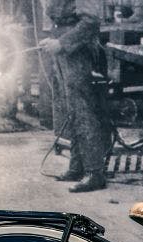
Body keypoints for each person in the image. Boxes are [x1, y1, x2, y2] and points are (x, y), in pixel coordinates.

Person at [39, 0, 111, 193]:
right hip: (64, 51)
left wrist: (61, 43)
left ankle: (95, 172)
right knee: (72, 111)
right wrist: (54, 39)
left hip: (78, 53)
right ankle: (77, 167)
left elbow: (91, 21)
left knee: (82, 111)